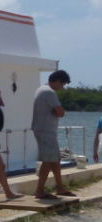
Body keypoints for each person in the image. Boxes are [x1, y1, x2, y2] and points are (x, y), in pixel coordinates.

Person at [32, 69, 75, 199]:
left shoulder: (41, 89)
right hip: (46, 131)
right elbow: (60, 112)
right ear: (56, 81)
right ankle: (39, 190)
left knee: (55, 159)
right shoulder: (49, 92)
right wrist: (61, 111)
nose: (62, 87)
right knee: (49, 160)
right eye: (62, 84)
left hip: (43, 129)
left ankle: (60, 188)